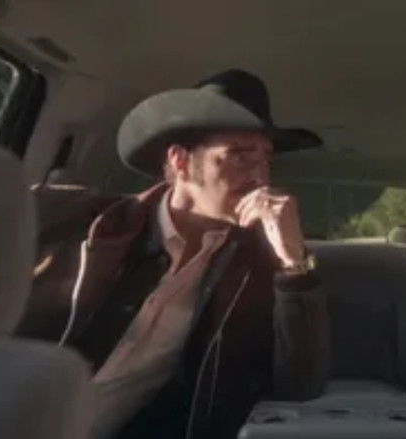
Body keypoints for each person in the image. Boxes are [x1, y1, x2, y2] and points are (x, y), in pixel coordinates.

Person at [17, 72, 330, 439]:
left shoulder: (256, 268)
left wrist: (292, 262)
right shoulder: (72, 219)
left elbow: (300, 384)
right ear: (180, 162)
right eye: (240, 157)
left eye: (266, 160)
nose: (260, 177)